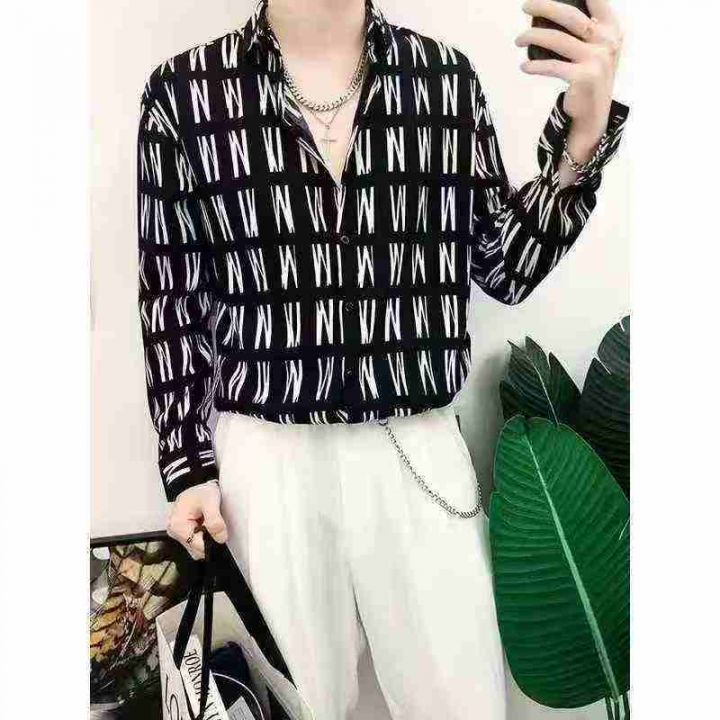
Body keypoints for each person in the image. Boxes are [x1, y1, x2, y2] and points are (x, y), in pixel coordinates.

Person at [136, 0, 628, 717]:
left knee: (460, 702)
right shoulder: (185, 93)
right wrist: (188, 466)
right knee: (296, 705)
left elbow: (504, 267)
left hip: (416, 446)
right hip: (265, 463)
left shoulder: (443, 80)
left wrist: (582, 137)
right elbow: (172, 294)